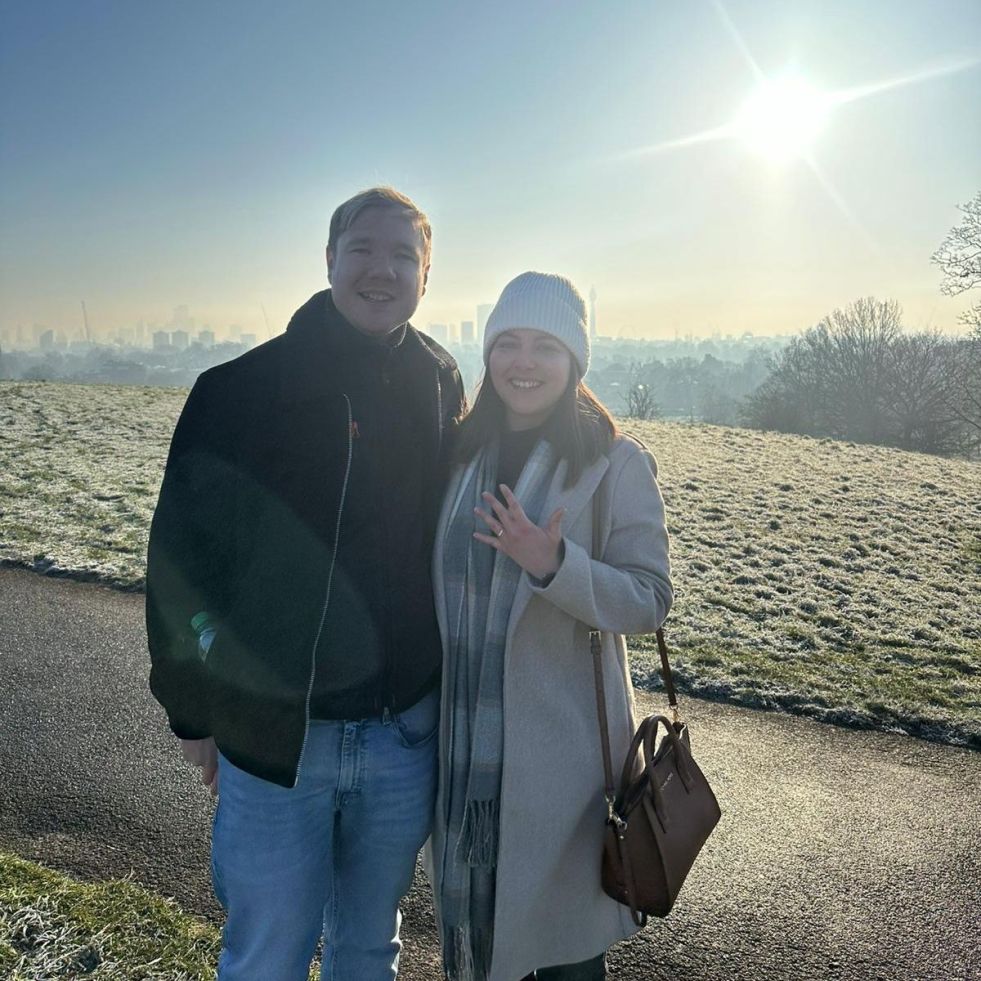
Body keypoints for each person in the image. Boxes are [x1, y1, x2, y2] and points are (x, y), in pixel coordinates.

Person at [145, 186, 465, 980]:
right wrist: (192, 710)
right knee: (266, 954)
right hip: (277, 734)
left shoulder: (439, 380)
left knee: (369, 945)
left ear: (427, 274)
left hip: (404, 735)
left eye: (403, 256)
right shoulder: (240, 389)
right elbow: (180, 558)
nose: (381, 270)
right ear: (328, 260)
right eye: (362, 249)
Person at [431, 272, 673, 981]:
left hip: (562, 775)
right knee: (483, 948)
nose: (523, 361)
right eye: (507, 341)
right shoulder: (456, 455)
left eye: (545, 344)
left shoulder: (614, 462)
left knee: (567, 960)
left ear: (574, 361)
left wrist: (554, 564)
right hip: (461, 756)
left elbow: (649, 596)